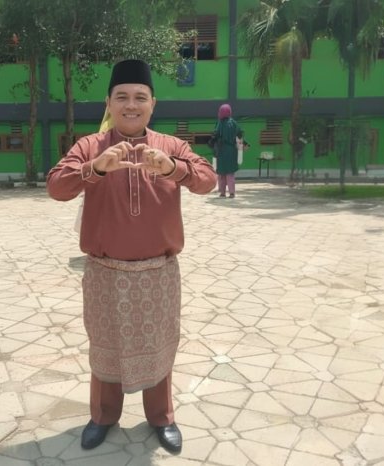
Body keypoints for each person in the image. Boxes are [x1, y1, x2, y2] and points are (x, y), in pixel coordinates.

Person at [46, 59, 216, 454]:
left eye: (140, 97)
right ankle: (103, 416)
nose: (131, 104)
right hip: (106, 272)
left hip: (158, 272)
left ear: (153, 104)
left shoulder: (171, 146)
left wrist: (173, 168)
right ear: (108, 103)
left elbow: (207, 180)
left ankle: (162, 418)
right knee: (105, 347)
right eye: (121, 97)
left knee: (159, 346)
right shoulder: (90, 146)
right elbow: (56, 187)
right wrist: (95, 168)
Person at [211, 104, 244, 198]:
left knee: (222, 173)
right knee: (230, 173)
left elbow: (216, 134)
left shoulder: (220, 123)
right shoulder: (234, 123)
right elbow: (240, 134)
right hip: (232, 150)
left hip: (221, 150)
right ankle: (232, 192)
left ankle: (222, 193)